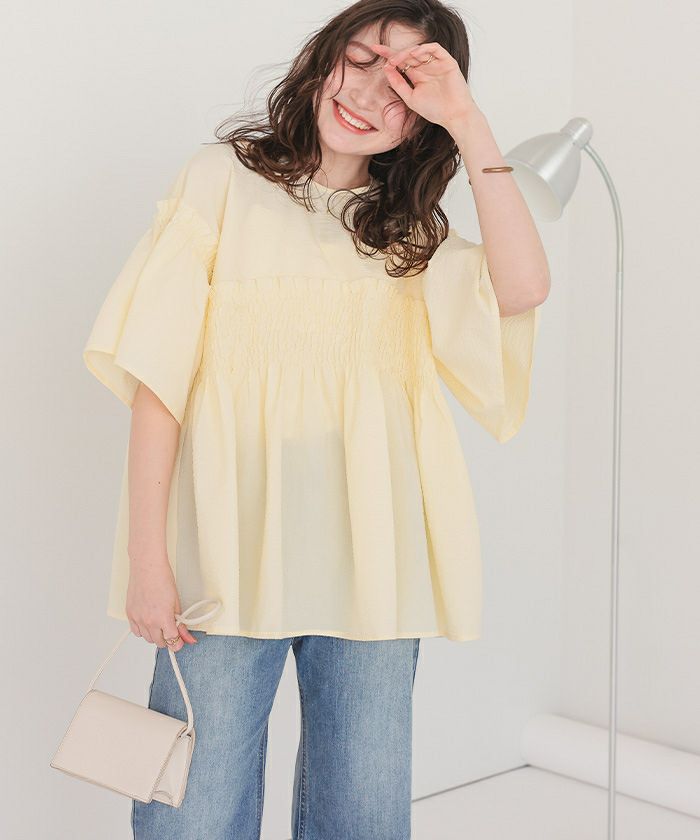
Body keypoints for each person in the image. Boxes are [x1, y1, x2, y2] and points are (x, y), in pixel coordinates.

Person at [82, 1, 549, 837]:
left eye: (405, 89)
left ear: (424, 122)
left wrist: (470, 122)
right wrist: (147, 561)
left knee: (362, 817)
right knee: (191, 815)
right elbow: (159, 382)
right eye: (362, 60)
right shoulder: (220, 182)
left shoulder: (407, 235)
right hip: (223, 561)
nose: (369, 94)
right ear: (323, 59)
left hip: (375, 565)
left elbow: (522, 289)